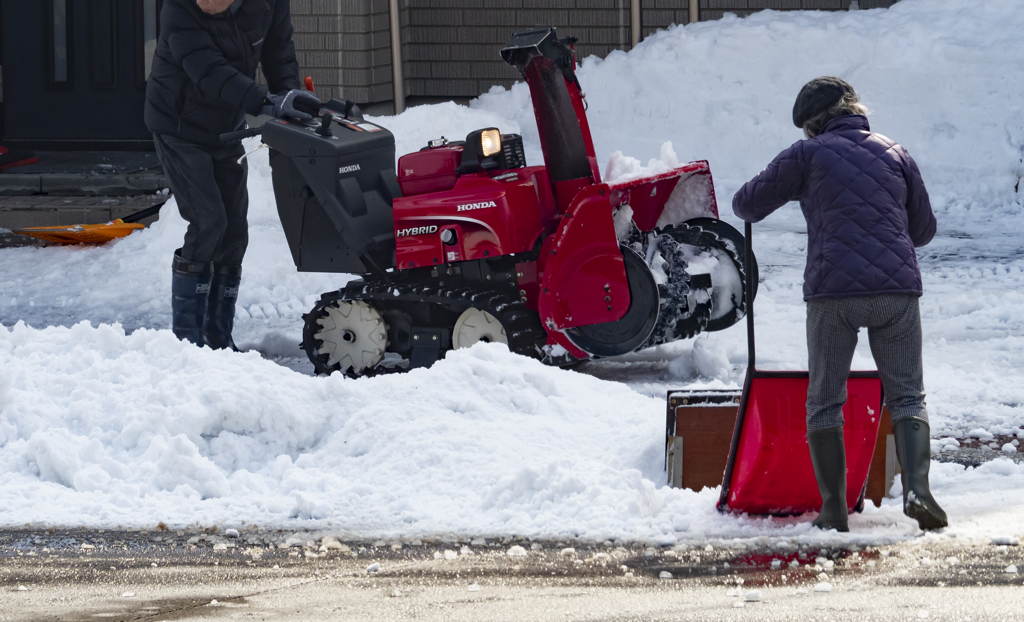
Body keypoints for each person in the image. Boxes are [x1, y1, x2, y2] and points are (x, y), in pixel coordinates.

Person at [732, 77, 947, 532]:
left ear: (811, 125)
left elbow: (746, 205)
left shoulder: (806, 155)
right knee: (908, 394)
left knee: (825, 400)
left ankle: (833, 510)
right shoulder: (894, 151)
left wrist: (801, 185)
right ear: (854, 108)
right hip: (897, 294)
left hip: (834, 296)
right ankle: (919, 492)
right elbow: (924, 231)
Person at [145, 0, 321, 349]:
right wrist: (265, 102)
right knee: (209, 220)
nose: (202, 1)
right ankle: (189, 344)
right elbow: (209, 72)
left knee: (235, 230)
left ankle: (218, 338)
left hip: (226, 127)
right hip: (179, 126)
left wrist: (288, 96)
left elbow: (278, 51)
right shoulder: (178, 9)